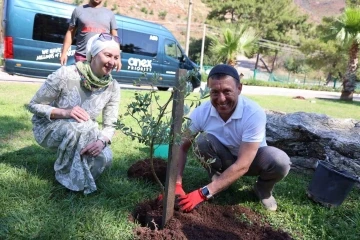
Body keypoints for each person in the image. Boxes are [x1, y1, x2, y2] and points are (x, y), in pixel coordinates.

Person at [175, 64, 291, 212]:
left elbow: (244, 164)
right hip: (223, 158)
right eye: (215, 92)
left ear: (239, 89)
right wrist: (177, 184)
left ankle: (262, 189)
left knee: (280, 160)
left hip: (252, 161)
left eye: (227, 91)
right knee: (201, 141)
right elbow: (181, 145)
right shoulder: (201, 112)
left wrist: (202, 193)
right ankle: (217, 179)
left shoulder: (253, 113)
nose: (221, 99)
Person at [28, 33, 121, 194]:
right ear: (93, 54)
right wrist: (66, 112)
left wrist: (101, 142)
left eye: (116, 57)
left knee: (105, 156)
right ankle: (68, 181)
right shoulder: (66, 74)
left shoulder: (112, 87)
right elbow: (34, 105)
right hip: (48, 127)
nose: (112, 62)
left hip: (83, 128)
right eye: (107, 55)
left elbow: (110, 125)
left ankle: (80, 175)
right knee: (80, 128)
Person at [60, 0, 121, 71]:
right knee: (81, 81)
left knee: (99, 81)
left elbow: (115, 37)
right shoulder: (78, 10)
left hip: (102, 58)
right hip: (82, 57)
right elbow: (70, 32)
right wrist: (64, 52)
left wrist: (118, 58)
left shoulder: (110, 14)